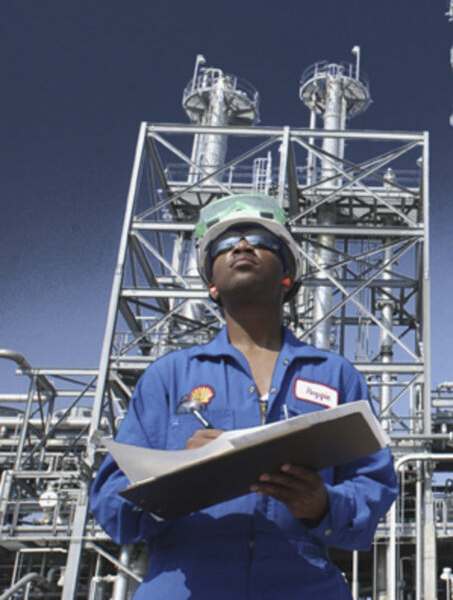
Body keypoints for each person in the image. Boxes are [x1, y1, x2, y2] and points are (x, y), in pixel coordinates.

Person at [90, 194, 399, 599]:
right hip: (185, 583)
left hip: (303, 583)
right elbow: (113, 505)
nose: (241, 246)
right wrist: (178, 476)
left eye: (260, 239)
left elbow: (374, 481)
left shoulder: (335, 375)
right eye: (224, 244)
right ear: (212, 284)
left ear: (288, 275)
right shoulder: (169, 375)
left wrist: (323, 505)